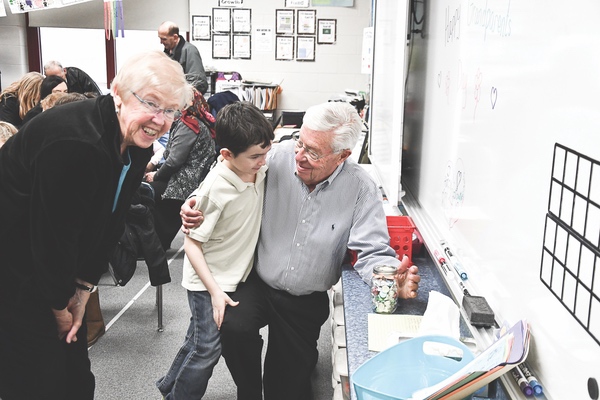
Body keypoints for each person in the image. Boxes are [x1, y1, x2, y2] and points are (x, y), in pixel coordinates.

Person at [180, 101, 421, 400]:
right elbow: (228, 168)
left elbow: (372, 250)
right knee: (232, 328)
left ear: (343, 155)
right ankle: (249, 390)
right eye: (300, 143)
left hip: (304, 301)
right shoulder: (276, 157)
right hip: (256, 282)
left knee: (286, 391)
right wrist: (193, 201)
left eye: (314, 152)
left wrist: (387, 278)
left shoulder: (361, 188)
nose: (300, 157)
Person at [0, 50, 191, 400]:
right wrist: (61, 305)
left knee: (75, 381)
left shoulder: (134, 142)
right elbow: (52, 238)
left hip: (48, 265)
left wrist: (84, 287)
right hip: (14, 271)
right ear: (117, 91)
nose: (160, 120)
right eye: (151, 103)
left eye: (170, 110)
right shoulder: (76, 143)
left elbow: (111, 219)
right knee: (35, 380)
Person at [157, 101, 273, 399]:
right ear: (226, 155)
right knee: (207, 349)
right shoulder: (215, 189)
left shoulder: (255, 169)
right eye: (256, 156)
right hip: (209, 281)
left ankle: (169, 384)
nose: (263, 161)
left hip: (231, 276)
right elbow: (192, 245)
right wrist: (214, 291)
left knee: (197, 338)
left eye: (266, 153)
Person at [144, 88, 216, 250]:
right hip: (193, 177)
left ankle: (153, 246)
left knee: (143, 192)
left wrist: (156, 176)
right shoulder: (196, 122)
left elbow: (173, 162)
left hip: (185, 181)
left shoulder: (188, 125)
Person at [158, 21, 209, 94]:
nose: (161, 42)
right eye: (160, 38)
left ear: (175, 37)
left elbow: (199, 83)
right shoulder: (166, 54)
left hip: (184, 101)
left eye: (164, 39)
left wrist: (177, 91)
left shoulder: (190, 51)